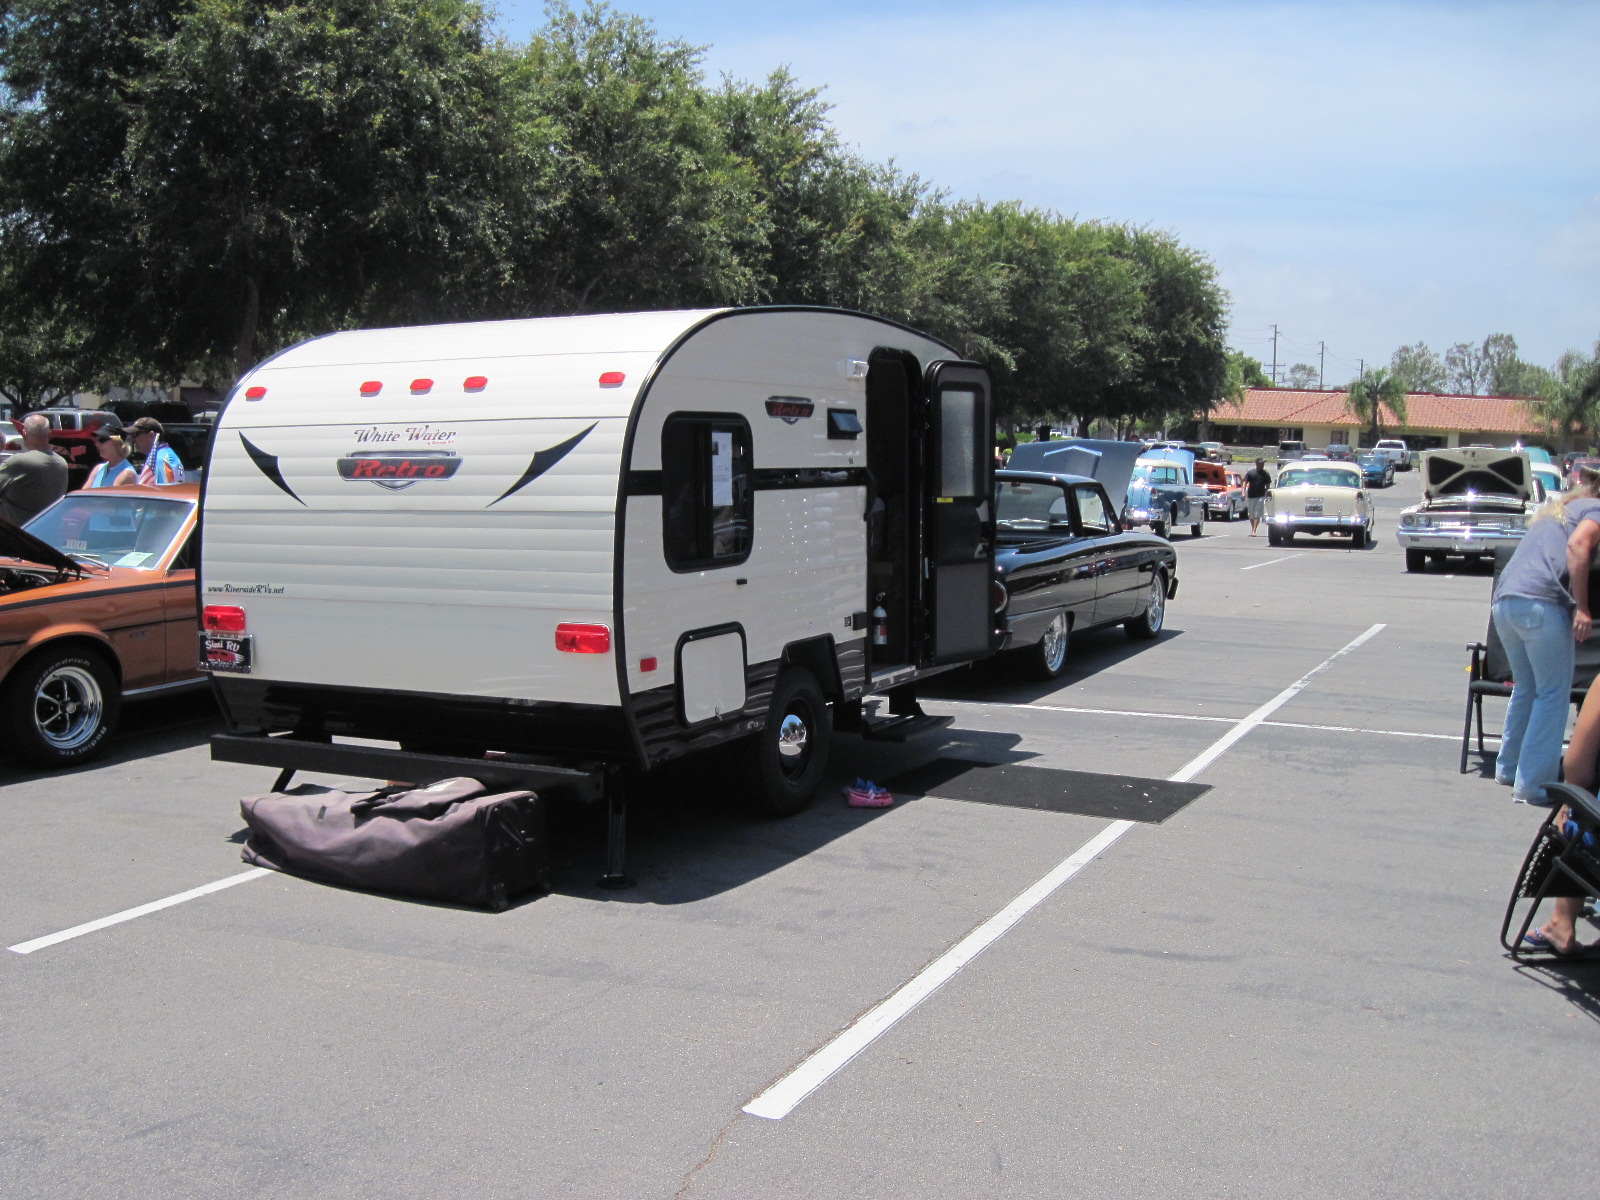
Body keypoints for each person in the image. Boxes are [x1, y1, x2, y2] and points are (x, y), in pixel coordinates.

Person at [1491, 468, 1600, 807]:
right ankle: (1533, 785)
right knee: (1553, 692)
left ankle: (1509, 768)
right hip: (1541, 604)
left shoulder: (1563, 509)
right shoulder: (1596, 511)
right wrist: (1582, 608)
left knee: (1528, 688)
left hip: (1505, 603)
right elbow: (1578, 546)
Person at [0, 412, 69, 525]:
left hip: (15, 535)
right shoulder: (62, 464)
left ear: (24, 433)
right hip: (45, 532)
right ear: (49, 434)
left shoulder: (19, 462)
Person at [129, 417, 184, 485]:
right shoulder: (166, 454)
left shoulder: (160, 460)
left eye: (136, 434)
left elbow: (163, 493)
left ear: (151, 435)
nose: (133, 440)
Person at [1243, 457, 1272, 536]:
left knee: (1257, 514)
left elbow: (1268, 485)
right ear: (1257, 463)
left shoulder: (1266, 474)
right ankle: (1253, 528)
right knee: (1251, 514)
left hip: (1260, 496)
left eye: (1263, 463)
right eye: (1261, 463)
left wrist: (1266, 492)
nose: (1262, 464)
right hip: (1251, 496)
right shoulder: (1250, 473)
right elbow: (1245, 482)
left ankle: (1254, 530)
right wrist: (1243, 492)